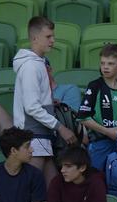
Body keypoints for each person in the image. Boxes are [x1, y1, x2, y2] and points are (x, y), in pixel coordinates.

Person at [13, 16, 77, 181]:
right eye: (48, 37)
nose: (53, 40)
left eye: (52, 36)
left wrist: (48, 102)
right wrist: (61, 127)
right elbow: (31, 107)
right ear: (35, 38)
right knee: (31, 188)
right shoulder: (31, 66)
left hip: (41, 135)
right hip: (33, 136)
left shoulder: (38, 63)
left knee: (51, 188)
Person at [40, 146, 111, 202]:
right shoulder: (56, 181)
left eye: (68, 166)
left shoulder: (96, 182)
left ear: (82, 167)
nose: (62, 170)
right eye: (62, 166)